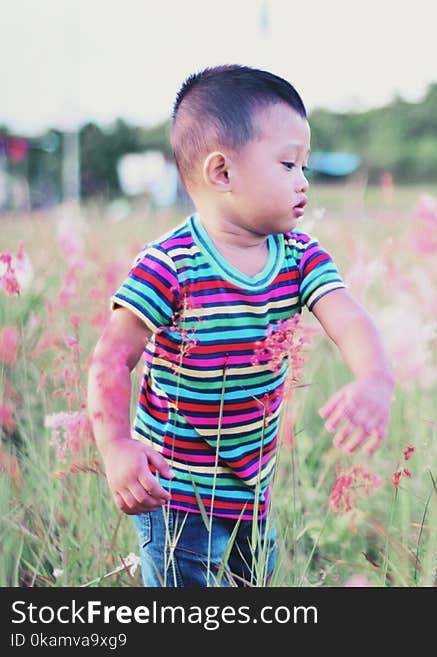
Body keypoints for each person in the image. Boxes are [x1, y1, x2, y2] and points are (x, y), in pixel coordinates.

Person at [86, 65, 394, 587]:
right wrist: (117, 445)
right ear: (222, 173)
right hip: (176, 500)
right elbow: (111, 358)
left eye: (305, 165)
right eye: (288, 164)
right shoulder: (171, 264)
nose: (303, 181)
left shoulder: (299, 256)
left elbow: (348, 317)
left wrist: (375, 378)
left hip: (253, 494)